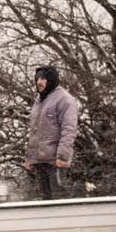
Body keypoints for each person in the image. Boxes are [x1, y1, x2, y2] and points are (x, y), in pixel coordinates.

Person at [23, 65, 79, 200]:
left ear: (51, 80)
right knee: (45, 204)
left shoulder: (64, 99)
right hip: (39, 162)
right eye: (37, 78)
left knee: (60, 203)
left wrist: (62, 157)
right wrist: (30, 158)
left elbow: (69, 129)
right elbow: (35, 132)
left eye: (43, 78)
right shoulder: (39, 100)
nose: (39, 82)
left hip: (55, 162)